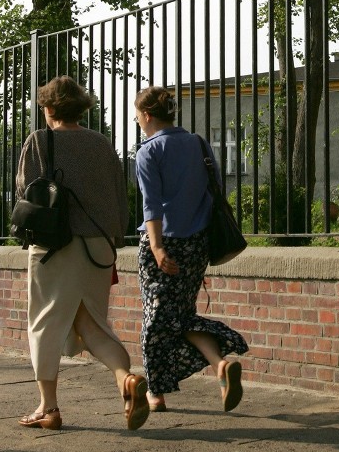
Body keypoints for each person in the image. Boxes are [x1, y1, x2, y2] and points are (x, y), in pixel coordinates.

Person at [16, 75, 149, 432]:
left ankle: (48, 407)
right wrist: (114, 238)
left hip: (55, 246)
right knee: (90, 322)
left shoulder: (40, 141)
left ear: (48, 108)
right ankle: (127, 379)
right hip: (99, 244)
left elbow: (25, 192)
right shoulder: (102, 144)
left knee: (45, 321)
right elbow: (120, 195)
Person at [133, 85, 248, 413]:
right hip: (198, 243)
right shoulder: (198, 143)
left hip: (162, 244)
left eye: (138, 116)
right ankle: (219, 365)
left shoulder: (148, 151)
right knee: (179, 316)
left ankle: (155, 393)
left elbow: (150, 205)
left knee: (154, 319)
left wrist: (156, 247)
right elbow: (215, 189)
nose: (138, 121)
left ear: (148, 115)